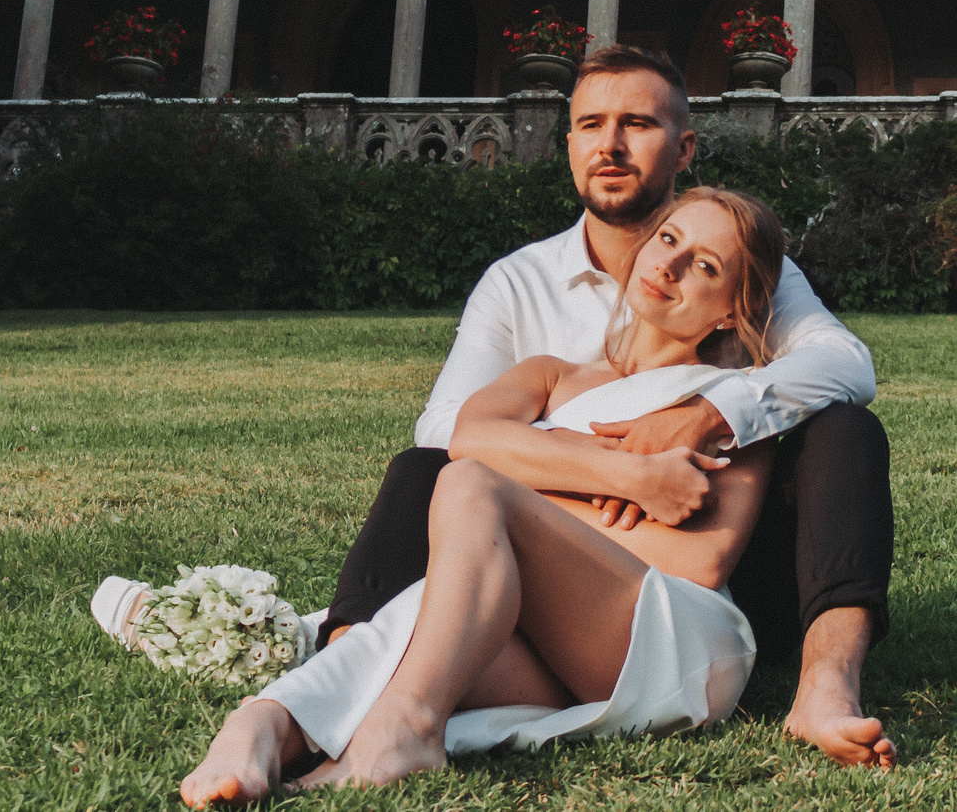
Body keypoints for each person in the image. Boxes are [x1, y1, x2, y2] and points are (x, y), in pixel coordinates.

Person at [319, 45, 895, 769]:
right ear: (569, 143)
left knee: (844, 429)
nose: (611, 145)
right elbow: (446, 430)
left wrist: (709, 415)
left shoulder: (742, 259)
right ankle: (351, 658)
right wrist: (613, 468)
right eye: (591, 124)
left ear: (683, 146)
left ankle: (826, 685)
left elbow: (846, 363)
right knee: (421, 467)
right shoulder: (520, 282)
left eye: (637, 124)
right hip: (543, 558)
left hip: (714, 564)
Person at [176, 187, 785, 802]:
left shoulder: (724, 401)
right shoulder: (551, 375)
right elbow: (470, 438)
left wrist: (524, 508)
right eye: (668, 240)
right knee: (416, 632)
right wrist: (629, 480)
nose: (669, 266)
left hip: (669, 640)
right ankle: (265, 725)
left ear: (732, 311)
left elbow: (698, 561)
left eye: (705, 266)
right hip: (549, 644)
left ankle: (406, 729)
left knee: (470, 495)